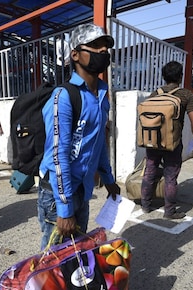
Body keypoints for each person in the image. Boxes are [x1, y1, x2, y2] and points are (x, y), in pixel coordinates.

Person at [38, 23, 120, 250]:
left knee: (76, 255)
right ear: (75, 54)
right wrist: (64, 210)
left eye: (105, 48)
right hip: (58, 196)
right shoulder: (63, 96)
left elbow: (98, 142)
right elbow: (58, 156)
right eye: (94, 46)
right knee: (52, 261)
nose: (102, 52)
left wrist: (109, 179)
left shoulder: (102, 95)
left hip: (83, 191)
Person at [141, 61, 193, 219]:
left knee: (149, 172)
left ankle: (146, 205)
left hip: (153, 141)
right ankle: (169, 211)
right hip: (173, 142)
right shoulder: (186, 94)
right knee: (170, 177)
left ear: (163, 76)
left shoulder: (155, 94)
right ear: (180, 76)